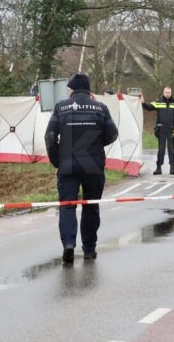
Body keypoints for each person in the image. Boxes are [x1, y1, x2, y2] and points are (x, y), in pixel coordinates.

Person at [45, 73, 119, 264]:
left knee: (67, 206)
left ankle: (69, 244)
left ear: (71, 89)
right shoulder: (100, 108)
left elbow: (50, 136)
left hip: (67, 165)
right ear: (88, 90)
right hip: (92, 164)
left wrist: (57, 161)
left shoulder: (61, 107)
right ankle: (89, 249)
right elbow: (112, 134)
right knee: (91, 206)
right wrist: (96, 143)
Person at [141, 86, 174, 175]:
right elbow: (148, 107)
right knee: (161, 150)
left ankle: (172, 168)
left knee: (171, 150)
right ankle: (158, 168)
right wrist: (142, 101)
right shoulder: (158, 102)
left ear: (171, 93)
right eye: (166, 92)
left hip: (172, 129)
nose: (168, 94)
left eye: (169, 92)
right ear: (163, 92)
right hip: (161, 129)